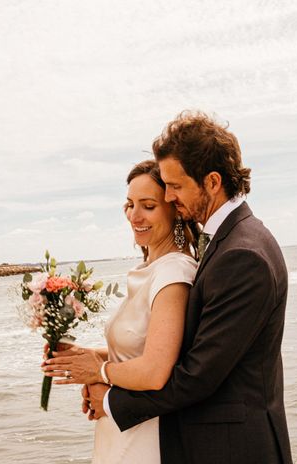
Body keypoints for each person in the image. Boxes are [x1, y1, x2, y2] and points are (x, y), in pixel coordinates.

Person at [85, 111, 293, 464]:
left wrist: (109, 398)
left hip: (233, 449)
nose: (168, 196)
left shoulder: (243, 255)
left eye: (176, 186)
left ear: (212, 182)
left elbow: (197, 376)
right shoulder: (229, 241)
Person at [42, 159, 199, 463]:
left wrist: (97, 371)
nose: (134, 216)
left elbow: (155, 372)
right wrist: (82, 355)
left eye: (148, 206)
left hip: (145, 435)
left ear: (174, 208)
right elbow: (139, 349)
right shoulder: (149, 269)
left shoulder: (173, 274)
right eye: (129, 204)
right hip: (118, 429)